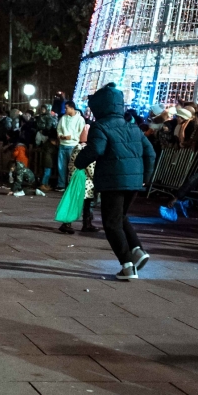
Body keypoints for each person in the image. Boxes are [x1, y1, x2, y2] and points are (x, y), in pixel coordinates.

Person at [75, 82, 156, 280]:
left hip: (113, 181)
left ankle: (128, 266)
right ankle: (137, 249)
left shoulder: (100, 126)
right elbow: (150, 153)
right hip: (134, 181)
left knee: (111, 224)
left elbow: (97, 150)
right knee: (121, 217)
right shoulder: (134, 127)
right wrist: (145, 177)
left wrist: (79, 160)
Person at [56, 100, 85, 191]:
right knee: (61, 166)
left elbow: (81, 132)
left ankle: (72, 185)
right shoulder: (63, 118)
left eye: (66, 108)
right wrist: (60, 135)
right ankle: (61, 185)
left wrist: (72, 137)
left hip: (73, 145)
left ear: (72, 108)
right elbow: (59, 128)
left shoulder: (80, 119)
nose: (65, 109)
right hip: (63, 144)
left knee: (73, 166)